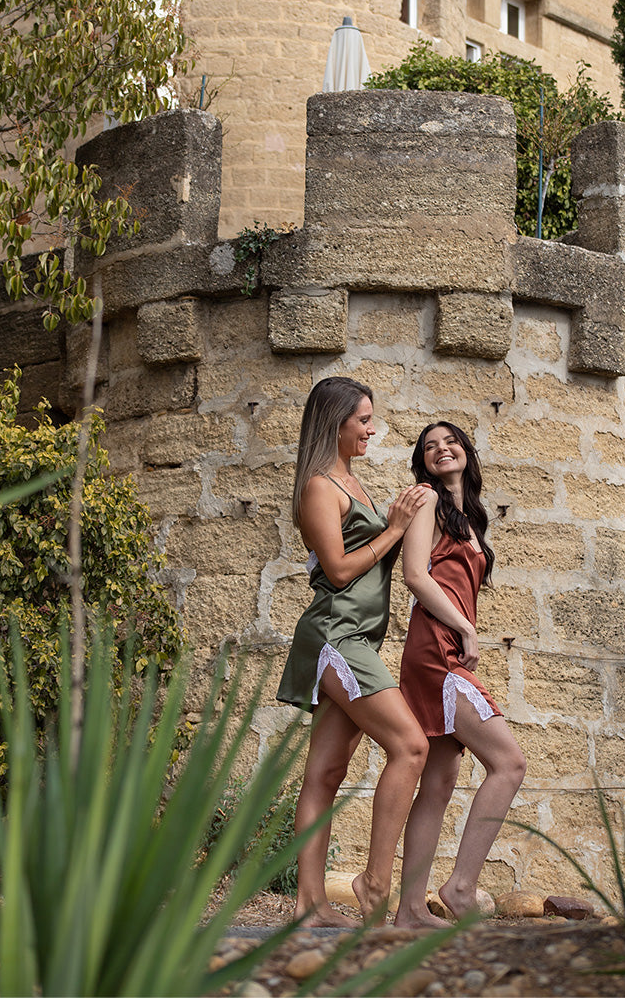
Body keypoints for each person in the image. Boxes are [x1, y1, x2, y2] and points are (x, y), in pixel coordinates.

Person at [277, 376, 430, 926]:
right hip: (334, 634)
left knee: (326, 772)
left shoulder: (355, 485)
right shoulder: (320, 486)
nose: (372, 428)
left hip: (358, 638)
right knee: (411, 745)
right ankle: (373, 883)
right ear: (334, 423)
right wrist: (393, 528)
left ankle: (309, 906)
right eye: (363, 419)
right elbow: (339, 571)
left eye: (371, 418)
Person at [394, 421, 527, 928]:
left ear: (466, 452)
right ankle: (462, 886)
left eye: (449, 442)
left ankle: (409, 911)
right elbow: (414, 575)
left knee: (439, 782)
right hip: (435, 647)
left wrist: (462, 630)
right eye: (430, 447)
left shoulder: (469, 515)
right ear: (422, 462)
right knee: (509, 763)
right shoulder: (426, 499)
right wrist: (464, 628)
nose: (440, 450)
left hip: (445, 642)